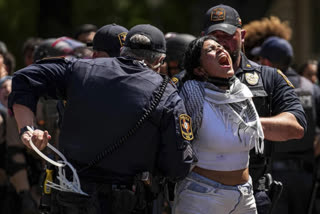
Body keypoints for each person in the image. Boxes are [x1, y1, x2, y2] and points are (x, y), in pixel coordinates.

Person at [9, 24, 194, 214]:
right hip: (127, 202)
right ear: (160, 59)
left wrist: (27, 129)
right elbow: (178, 166)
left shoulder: (80, 69)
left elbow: (24, 78)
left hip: (71, 198)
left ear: (124, 50)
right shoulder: (167, 93)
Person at [201, 4, 307, 214]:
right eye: (215, 36)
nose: (221, 42)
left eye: (229, 34)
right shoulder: (188, 78)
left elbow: (296, 126)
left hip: (252, 192)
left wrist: (244, 125)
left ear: (242, 36)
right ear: (202, 38)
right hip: (200, 192)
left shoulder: (269, 77)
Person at [173, 35, 263, 214]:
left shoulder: (243, 93)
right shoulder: (192, 94)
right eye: (210, 50)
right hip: (202, 196)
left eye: (221, 47)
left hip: (245, 196)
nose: (221, 50)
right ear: (199, 70)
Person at [252, 36, 320, 214]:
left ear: (266, 61)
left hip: (274, 177)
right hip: (306, 176)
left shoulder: (266, 87)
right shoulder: (311, 88)